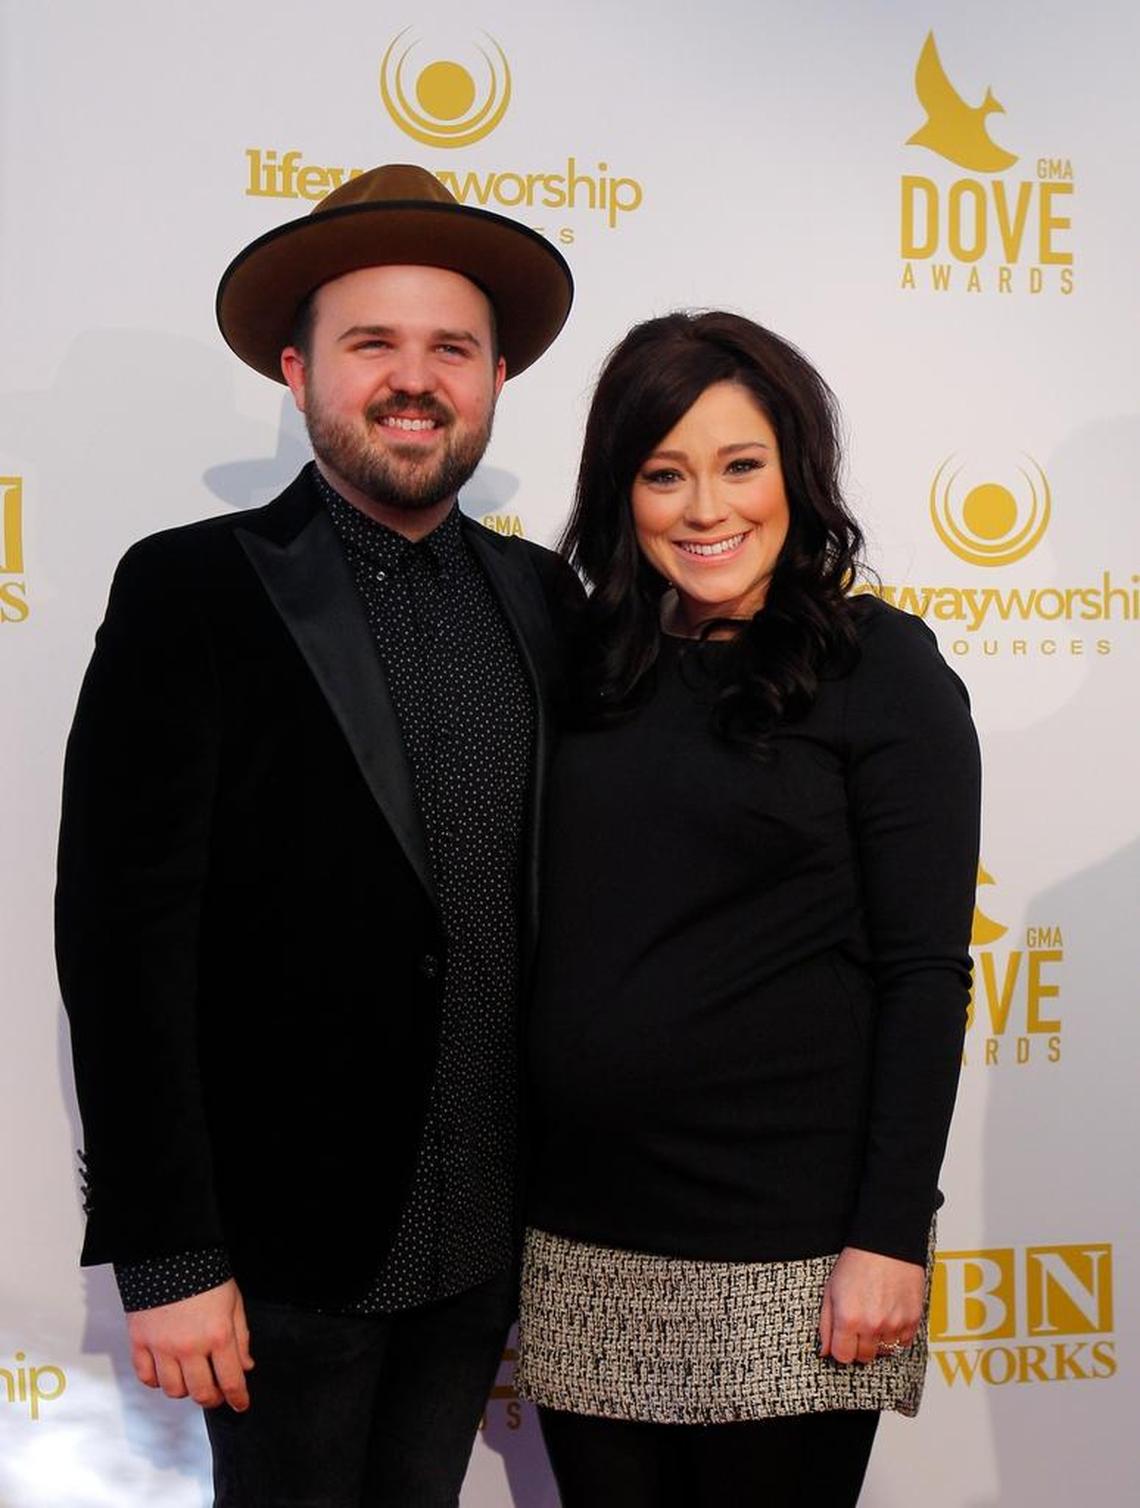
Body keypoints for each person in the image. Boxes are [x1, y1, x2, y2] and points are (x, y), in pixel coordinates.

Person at [55, 163, 579, 1508]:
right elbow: (122, 940)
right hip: (283, 1252)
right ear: (299, 373)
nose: (414, 379)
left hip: (485, 1244)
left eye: (450, 347)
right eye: (372, 345)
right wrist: (170, 1258)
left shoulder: (543, 598)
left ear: (497, 378)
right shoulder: (191, 589)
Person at [514, 311, 982, 1507]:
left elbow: (926, 971)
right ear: (621, 491)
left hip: (794, 1250)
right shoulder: (582, 668)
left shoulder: (881, 669)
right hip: (581, 1242)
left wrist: (890, 1237)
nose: (705, 507)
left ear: (796, 473)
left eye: (740, 465)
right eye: (664, 472)